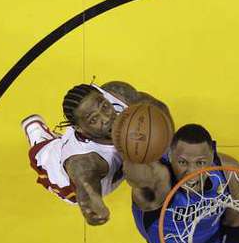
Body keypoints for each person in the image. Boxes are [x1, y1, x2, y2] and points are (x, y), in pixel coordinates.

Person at [21, 81, 170, 226]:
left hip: (84, 143)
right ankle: (38, 135)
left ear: (104, 96)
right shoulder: (83, 163)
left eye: (104, 106)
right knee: (43, 153)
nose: (106, 118)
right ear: (79, 128)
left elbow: (160, 110)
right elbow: (88, 198)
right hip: (58, 174)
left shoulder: (118, 94)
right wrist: (93, 211)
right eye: (94, 119)